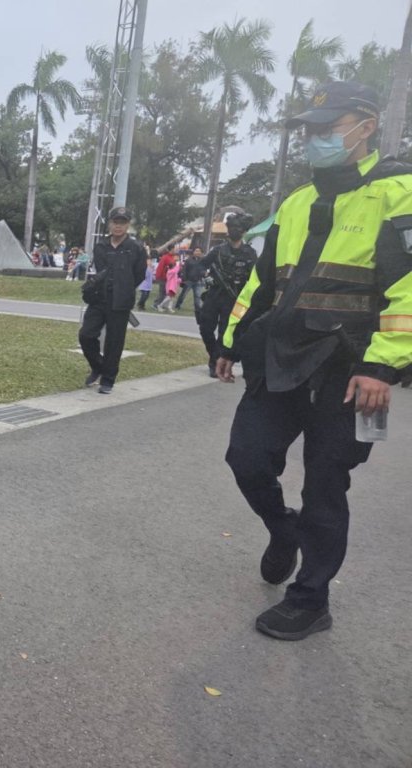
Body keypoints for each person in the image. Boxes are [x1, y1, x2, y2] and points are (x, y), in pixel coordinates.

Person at [216, 81, 412, 641]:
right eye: (309, 130)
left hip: (351, 370)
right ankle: (284, 529)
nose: (314, 139)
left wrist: (382, 367)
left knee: (326, 485)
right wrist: (230, 341)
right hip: (281, 357)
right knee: (247, 459)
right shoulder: (297, 202)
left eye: (327, 128)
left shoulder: (398, 192)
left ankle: (310, 599)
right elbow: (262, 282)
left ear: (366, 127)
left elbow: (408, 288)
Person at [78, 206, 148, 394]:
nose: (118, 226)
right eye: (115, 222)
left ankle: (108, 379)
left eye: (122, 223)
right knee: (86, 335)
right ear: (109, 223)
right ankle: (98, 366)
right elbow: (100, 270)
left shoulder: (136, 248)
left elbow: (139, 275)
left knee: (114, 342)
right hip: (99, 299)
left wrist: (124, 287)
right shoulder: (101, 246)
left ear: (128, 225)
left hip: (120, 300)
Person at [196, 212, 258, 377]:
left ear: (244, 231)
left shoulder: (250, 253)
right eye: (231, 227)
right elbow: (200, 266)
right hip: (214, 295)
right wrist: (206, 276)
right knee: (205, 328)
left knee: (225, 333)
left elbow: (255, 277)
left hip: (234, 298)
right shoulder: (217, 251)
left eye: (237, 228)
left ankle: (215, 363)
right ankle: (215, 356)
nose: (233, 230)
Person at [175, 246, 207, 314]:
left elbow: (204, 270)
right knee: (183, 294)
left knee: (198, 296)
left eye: (199, 251)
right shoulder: (189, 260)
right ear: (193, 252)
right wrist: (184, 279)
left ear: (201, 252)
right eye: (196, 251)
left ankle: (197, 309)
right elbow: (184, 270)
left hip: (198, 281)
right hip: (189, 280)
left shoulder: (203, 261)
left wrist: (204, 274)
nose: (197, 252)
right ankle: (177, 305)